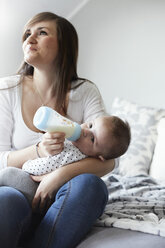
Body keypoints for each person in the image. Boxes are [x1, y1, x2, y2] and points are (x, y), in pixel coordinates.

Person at [0, 11, 118, 248]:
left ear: (64, 45)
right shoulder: (7, 89)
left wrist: (59, 176)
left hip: (66, 195)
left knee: (92, 186)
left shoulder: (84, 92)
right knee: (5, 200)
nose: (29, 39)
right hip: (20, 191)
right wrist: (38, 151)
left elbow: (109, 158)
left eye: (41, 32)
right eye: (27, 34)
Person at [0, 115, 131, 203]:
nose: (85, 131)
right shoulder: (69, 139)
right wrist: (41, 148)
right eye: (90, 125)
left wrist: (59, 175)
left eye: (92, 139)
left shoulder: (78, 156)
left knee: (8, 174)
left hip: (36, 187)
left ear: (98, 156)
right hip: (29, 178)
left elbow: (114, 161)